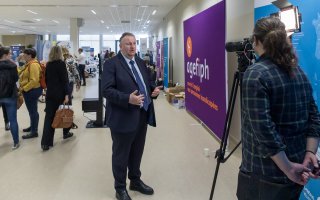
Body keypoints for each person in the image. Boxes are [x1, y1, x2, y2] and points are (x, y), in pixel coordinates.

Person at [237, 17, 320, 200]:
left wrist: (288, 168)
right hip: (298, 170)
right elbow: (314, 116)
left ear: (257, 41)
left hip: (264, 174)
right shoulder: (298, 72)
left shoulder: (255, 74)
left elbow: (264, 130)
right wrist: (309, 154)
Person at [102, 32, 162, 200]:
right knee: (121, 154)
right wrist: (128, 98)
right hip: (122, 117)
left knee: (137, 151)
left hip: (142, 115)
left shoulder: (141, 62)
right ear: (120, 46)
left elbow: (146, 83)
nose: (132, 46)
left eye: (134, 43)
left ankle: (135, 180)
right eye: (128, 43)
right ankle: (120, 188)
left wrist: (153, 91)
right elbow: (106, 90)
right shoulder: (111, 64)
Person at [41, 46, 70, 151]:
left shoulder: (48, 65)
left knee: (49, 118)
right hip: (60, 94)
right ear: (60, 53)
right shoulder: (61, 64)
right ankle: (66, 132)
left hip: (50, 94)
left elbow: (47, 80)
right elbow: (65, 81)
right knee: (65, 113)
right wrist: (67, 94)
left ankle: (45, 143)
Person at [19, 48, 42, 139]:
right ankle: (32, 126)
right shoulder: (29, 64)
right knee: (32, 111)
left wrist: (24, 88)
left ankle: (34, 131)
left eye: (24, 55)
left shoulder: (33, 65)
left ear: (29, 55)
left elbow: (34, 80)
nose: (23, 56)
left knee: (33, 111)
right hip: (31, 90)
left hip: (32, 90)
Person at [0, 46, 20, 149]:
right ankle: (16, 142)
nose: (11, 55)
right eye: (10, 53)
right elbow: (16, 78)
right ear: (5, 55)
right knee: (13, 120)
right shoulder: (12, 65)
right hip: (10, 96)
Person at [62, 46, 80, 129]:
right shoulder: (70, 60)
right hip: (69, 82)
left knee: (62, 100)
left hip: (60, 83)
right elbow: (75, 71)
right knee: (68, 100)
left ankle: (63, 117)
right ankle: (68, 119)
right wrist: (78, 82)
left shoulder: (57, 60)